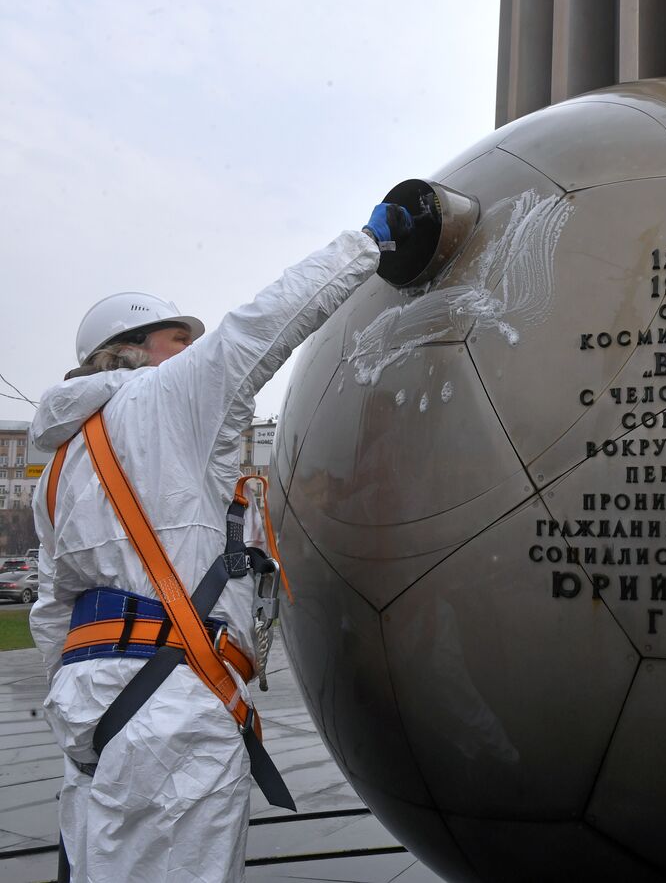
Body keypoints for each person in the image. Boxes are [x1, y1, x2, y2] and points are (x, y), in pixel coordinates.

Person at [29, 202, 411, 882]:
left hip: (88, 705)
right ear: (136, 349)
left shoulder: (58, 467)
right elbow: (257, 327)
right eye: (178, 339)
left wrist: (88, 687)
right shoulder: (168, 398)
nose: (189, 353)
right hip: (170, 708)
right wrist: (364, 245)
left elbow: (52, 610)